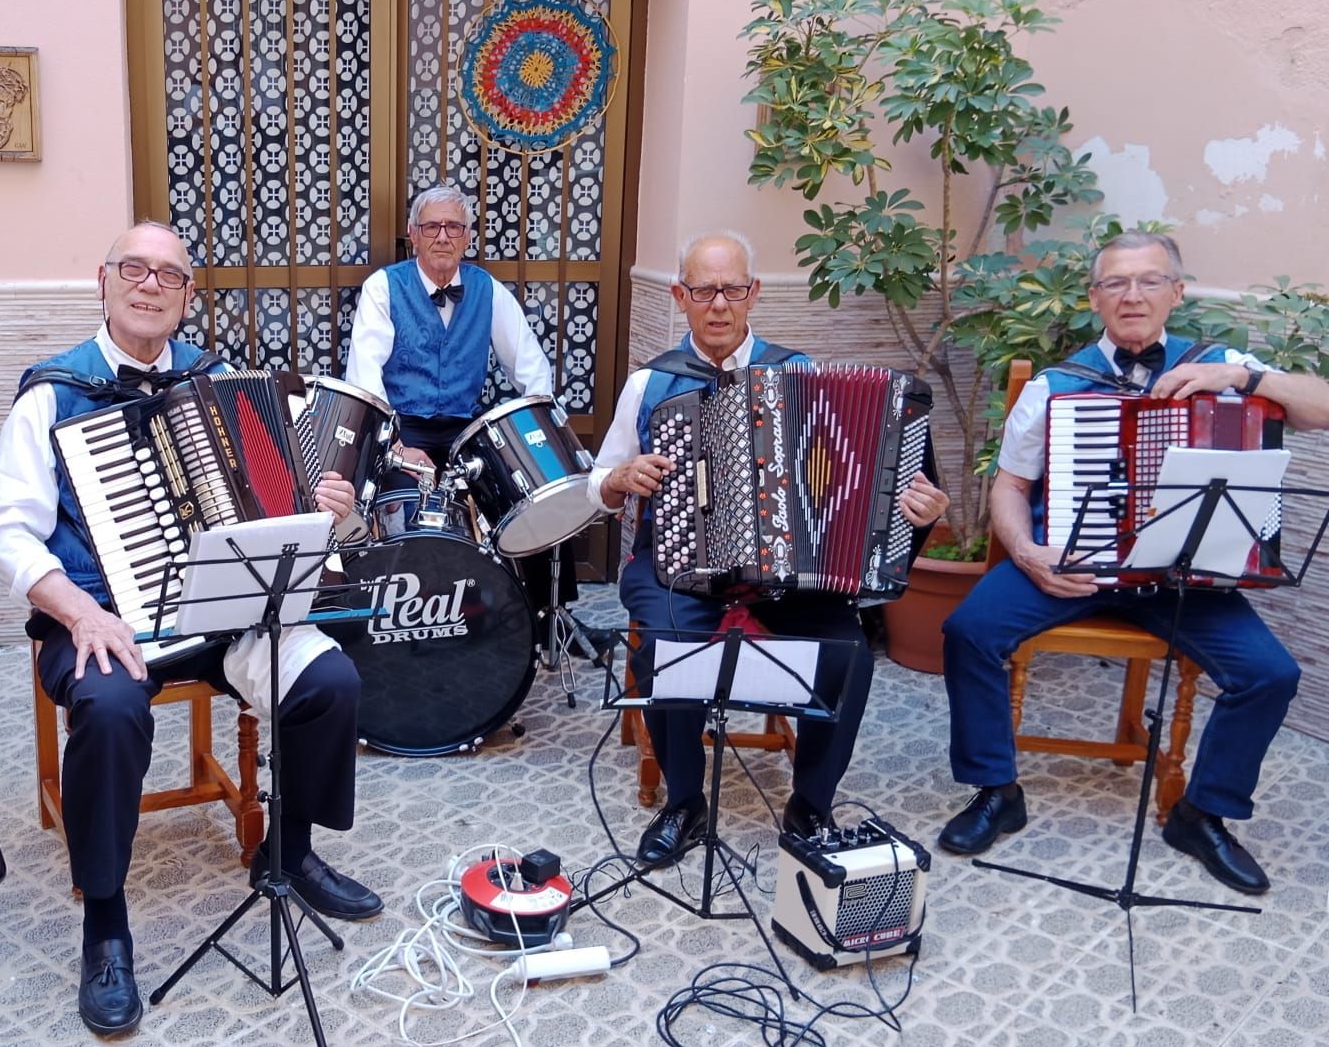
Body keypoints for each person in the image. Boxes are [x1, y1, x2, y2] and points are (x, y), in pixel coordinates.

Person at [0, 221, 380, 1038]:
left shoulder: (222, 383)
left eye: (170, 275)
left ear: (189, 296)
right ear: (104, 280)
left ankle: (287, 851)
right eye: (136, 269)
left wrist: (330, 510)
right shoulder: (51, 394)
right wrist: (80, 609)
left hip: (222, 616)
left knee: (331, 682)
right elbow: (7, 530)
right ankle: (106, 924)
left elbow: (287, 508)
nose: (151, 285)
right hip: (96, 618)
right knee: (112, 708)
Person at [937, 232, 1329, 894]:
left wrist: (1242, 378)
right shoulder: (1060, 385)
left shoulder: (1222, 365)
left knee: (1269, 673)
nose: (1133, 295)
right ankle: (995, 790)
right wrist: (1030, 555)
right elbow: (1010, 487)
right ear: (1094, 299)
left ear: (1177, 292)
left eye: (1150, 280)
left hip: (1184, 576)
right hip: (1073, 567)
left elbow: (1321, 406)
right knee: (968, 630)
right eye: (1116, 283)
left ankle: (1202, 814)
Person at [588, 233, 949, 865]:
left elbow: (854, 477)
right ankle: (684, 801)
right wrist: (620, 479)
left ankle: (811, 802)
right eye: (704, 290)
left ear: (754, 293)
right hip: (679, 565)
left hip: (789, 573)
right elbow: (599, 484)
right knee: (668, 648)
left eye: (732, 289)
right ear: (681, 297)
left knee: (849, 655)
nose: (719, 305)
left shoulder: (801, 375)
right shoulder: (651, 384)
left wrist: (914, 507)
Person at [348, 183, 579, 607]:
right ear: (412, 234)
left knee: (532, 493)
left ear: (468, 237)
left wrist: (541, 431)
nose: (442, 236)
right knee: (406, 505)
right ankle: (418, 614)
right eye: (431, 226)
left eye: (453, 227)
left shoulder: (487, 289)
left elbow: (530, 365)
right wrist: (397, 449)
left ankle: (549, 617)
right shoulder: (384, 287)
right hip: (403, 428)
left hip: (464, 430)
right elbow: (365, 378)